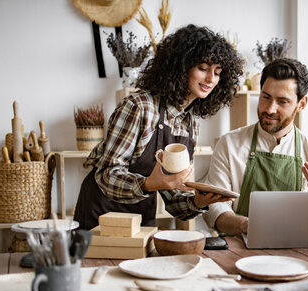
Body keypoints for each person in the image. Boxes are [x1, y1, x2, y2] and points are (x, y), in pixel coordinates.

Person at [74, 24, 244, 230]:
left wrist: (199, 202)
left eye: (217, 72)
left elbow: (173, 195)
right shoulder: (139, 107)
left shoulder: (189, 124)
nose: (211, 79)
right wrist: (148, 184)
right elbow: (107, 175)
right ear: (181, 66)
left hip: (142, 216)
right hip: (100, 214)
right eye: (203, 68)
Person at [203, 58, 308, 235]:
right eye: (266, 97)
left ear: (301, 104)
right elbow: (213, 208)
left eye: (282, 101)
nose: (270, 109)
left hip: (297, 251)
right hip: (239, 249)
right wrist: (246, 225)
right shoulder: (229, 144)